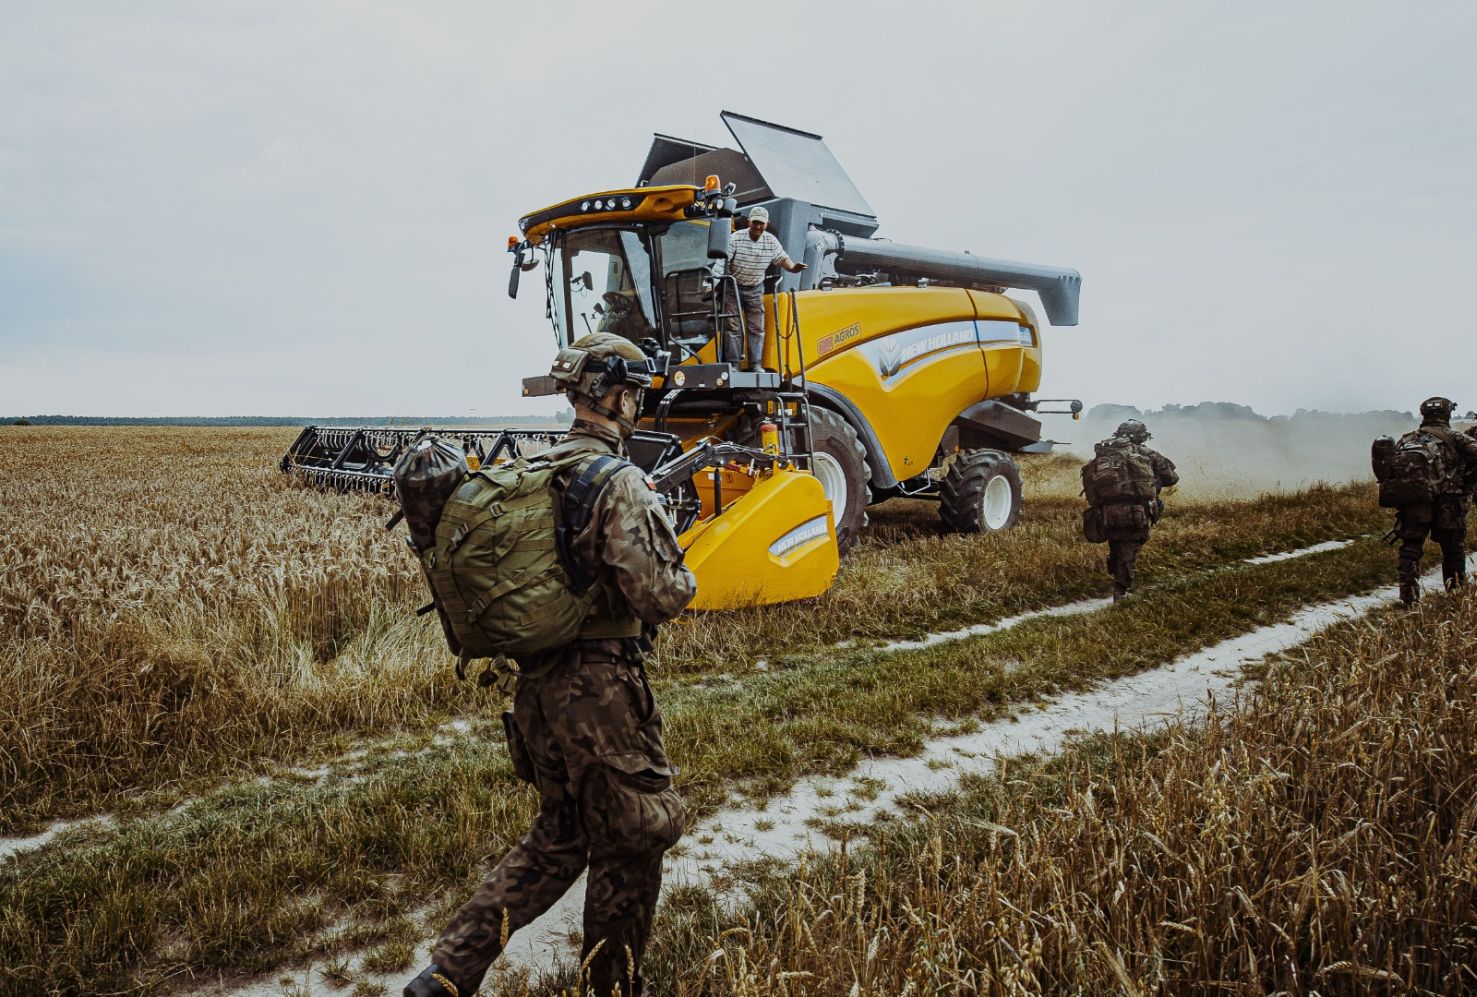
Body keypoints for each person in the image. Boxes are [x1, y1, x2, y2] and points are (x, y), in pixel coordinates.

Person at [405, 333, 697, 997]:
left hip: (538, 691)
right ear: (616, 393)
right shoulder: (616, 481)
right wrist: (680, 561)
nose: (639, 401)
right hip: (602, 692)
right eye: (636, 390)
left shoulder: (543, 469)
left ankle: (446, 974)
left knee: (558, 838)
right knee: (631, 838)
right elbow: (660, 594)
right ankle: (612, 987)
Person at [1390, 396, 1477, 607]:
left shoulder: (1406, 439)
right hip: (1451, 503)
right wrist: (1468, 481)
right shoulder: (1457, 438)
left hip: (1416, 504)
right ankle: (1456, 598)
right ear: (1447, 415)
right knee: (1453, 550)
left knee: (1410, 550)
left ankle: (1409, 601)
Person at [1086, 419, 1178, 602]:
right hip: (1137, 512)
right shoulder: (1147, 453)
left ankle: (1115, 581)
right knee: (1130, 550)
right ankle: (1120, 592)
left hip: (1107, 512)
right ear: (1141, 436)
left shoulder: (1103, 454)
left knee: (1116, 546)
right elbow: (1172, 478)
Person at [721, 205, 806, 371]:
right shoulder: (735, 238)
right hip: (733, 288)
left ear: (767, 224)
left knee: (756, 328)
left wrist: (794, 268)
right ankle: (733, 365)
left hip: (755, 288)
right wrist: (712, 284)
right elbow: (722, 261)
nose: (758, 226)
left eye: (761, 223)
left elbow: (782, 259)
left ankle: (755, 365)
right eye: (755, 223)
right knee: (733, 326)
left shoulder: (771, 242)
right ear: (748, 222)